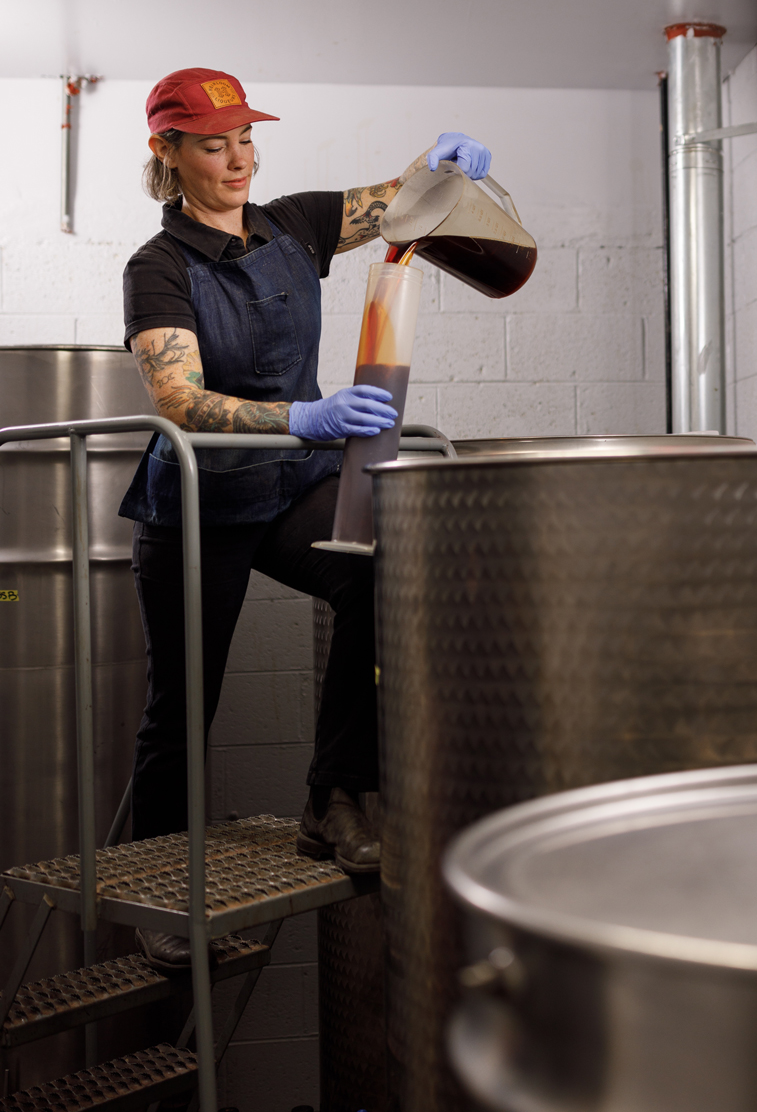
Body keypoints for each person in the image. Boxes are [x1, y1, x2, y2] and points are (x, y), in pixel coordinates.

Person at [119, 66, 491, 968]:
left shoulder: (292, 224)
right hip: (200, 505)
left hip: (286, 489)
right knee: (183, 707)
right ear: (171, 154)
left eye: (247, 138)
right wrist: (305, 419)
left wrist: (442, 163)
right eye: (215, 144)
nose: (240, 157)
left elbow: (397, 200)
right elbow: (179, 398)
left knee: (378, 564)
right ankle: (153, 888)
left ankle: (334, 796)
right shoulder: (157, 267)